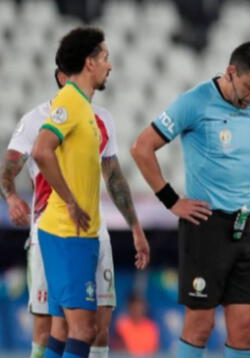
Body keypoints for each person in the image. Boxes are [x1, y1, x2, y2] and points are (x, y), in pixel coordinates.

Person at [130, 41, 250, 358]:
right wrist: (172, 201)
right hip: (205, 226)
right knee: (200, 325)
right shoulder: (194, 102)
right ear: (231, 72)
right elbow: (141, 147)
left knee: (246, 325)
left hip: (244, 224)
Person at [0, 65, 150, 358]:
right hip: (51, 231)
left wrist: (134, 225)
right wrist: (11, 197)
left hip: (95, 231)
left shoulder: (103, 118)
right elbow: (8, 169)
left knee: (97, 327)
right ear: (62, 77)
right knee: (48, 328)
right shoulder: (36, 120)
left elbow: (114, 177)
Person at [28, 27, 119, 358]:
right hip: (69, 235)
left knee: (63, 330)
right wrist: (69, 200)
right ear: (89, 62)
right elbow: (41, 150)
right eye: (105, 58)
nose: (110, 65)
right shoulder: (70, 99)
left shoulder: (83, 106)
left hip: (70, 234)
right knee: (84, 330)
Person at [115, 293, 160, 357]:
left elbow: (156, 350)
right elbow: (120, 350)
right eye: (134, 308)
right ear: (129, 308)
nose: (137, 311)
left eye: (139, 307)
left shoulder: (151, 326)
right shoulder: (122, 324)